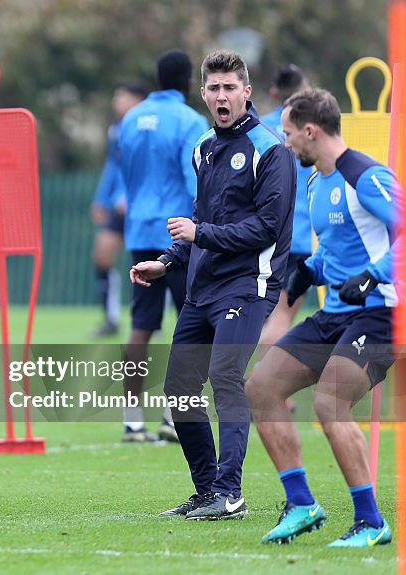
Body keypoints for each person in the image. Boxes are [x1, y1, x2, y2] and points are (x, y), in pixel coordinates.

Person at [131, 50, 295, 520]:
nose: (222, 96)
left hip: (249, 285)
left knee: (224, 376)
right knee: (180, 384)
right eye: (215, 88)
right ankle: (208, 492)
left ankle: (230, 491)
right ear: (203, 94)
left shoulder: (271, 150)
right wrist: (167, 260)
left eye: (231, 88)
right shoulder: (203, 146)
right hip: (202, 289)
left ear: (247, 92)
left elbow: (266, 228)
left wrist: (198, 234)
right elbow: (204, 218)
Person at [247, 88, 398, 547]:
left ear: (311, 131)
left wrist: (373, 275)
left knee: (331, 403)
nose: (287, 144)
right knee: (260, 387)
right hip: (335, 314)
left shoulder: (366, 176)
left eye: (290, 134)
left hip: (381, 316)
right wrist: (308, 270)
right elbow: (335, 245)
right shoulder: (316, 181)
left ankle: (371, 522)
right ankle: (301, 505)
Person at [117, 50, 207, 443]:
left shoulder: (131, 118)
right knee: (188, 322)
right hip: (178, 234)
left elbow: (127, 174)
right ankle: (175, 414)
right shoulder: (190, 120)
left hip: (139, 229)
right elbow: (196, 183)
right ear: (189, 82)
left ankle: (132, 419)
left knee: (141, 324)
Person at [256, 65, 314, 350]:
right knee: (281, 318)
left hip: (261, 235)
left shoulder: (258, 128)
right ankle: (261, 387)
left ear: (273, 93)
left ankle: (269, 390)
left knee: (265, 316)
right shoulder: (311, 131)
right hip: (299, 235)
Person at [89, 83, 145, 339]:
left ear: (138, 100)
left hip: (144, 206)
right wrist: (103, 198)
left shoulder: (146, 127)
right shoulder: (116, 128)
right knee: (102, 254)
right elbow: (113, 165)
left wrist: (130, 195)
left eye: (121, 96)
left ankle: (154, 318)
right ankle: (111, 319)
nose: (116, 101)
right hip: (120, 207)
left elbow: (151, 167)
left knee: (153, 261)